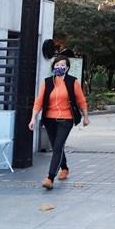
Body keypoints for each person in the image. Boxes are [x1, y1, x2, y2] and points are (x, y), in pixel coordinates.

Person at [28, 55, 89, 190]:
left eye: (62, 65)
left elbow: (81, 100)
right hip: (49, 119)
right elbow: (39, 101)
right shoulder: (47, 82)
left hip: (66, 119)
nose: (59, 67)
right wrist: (33, 118)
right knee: (57, 146)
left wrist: (86, 117)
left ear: (67, 68)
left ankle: (50, 178)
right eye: (57, 65)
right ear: (53, 66)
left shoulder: (73, 82)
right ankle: (64, 168)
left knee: (57, 147)